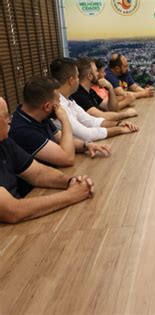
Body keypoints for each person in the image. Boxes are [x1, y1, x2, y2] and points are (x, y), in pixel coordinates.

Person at [0, 96, 94, 224]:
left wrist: (71, 182)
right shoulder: (19, 130)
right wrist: (72, 195)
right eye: (5, 116)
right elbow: (12, 211)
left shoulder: (5, 142)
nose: (10, 120)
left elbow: (38, 173)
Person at [9, 76, 111, 167]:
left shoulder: (40, 116)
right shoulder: (22, 130)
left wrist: (87, 145)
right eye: (58, 100)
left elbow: (61, 138)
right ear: (47, 106)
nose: (60, 104)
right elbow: (67, 158)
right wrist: (65, 120)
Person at [50, 57, 139, 142]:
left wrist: (118, 124)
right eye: (77, 76)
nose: (79, 80)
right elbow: (86, 135)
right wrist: (120, 129)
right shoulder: (59, 105)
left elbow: (92, 121)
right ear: (71, 80)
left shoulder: (69, 100)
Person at [71, 57, 137, 121]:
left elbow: (112, 109)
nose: (98, 73)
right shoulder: (79, 95)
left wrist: (110, 88)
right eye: (96, 71)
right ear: (90, 76)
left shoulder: (90, 91)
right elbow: (101, 116)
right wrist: (126, 114)